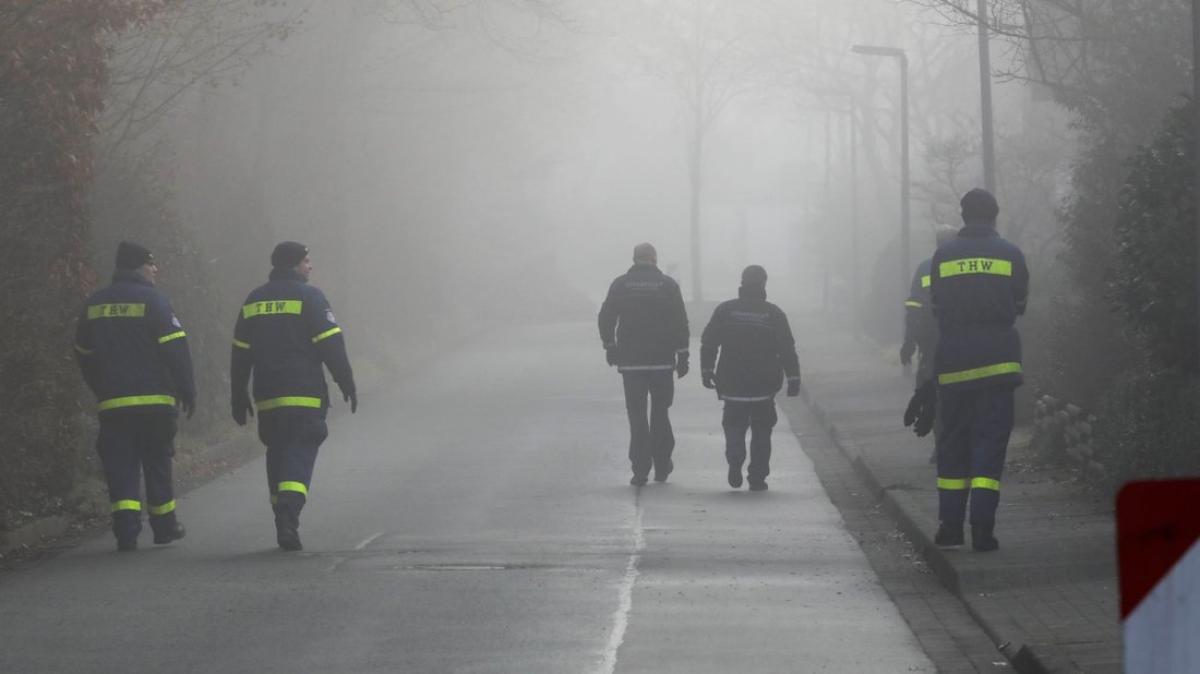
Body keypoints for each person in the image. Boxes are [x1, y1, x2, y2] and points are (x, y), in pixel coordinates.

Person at [907, 189, 1029, 552]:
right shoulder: (1011, 253)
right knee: (990, 444)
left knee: (952, 445)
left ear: (962, 215)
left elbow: (938, 307)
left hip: (954, 363)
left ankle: (949, 528)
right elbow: (1020, 303)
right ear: (994, 215)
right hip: (998, 363)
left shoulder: (942, 256)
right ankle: (982, 529)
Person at [230, 241, 356, 551]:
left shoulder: (254, 300)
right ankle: (288, 510)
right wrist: (346, 382)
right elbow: (331, 346)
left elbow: (240, 354)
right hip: (304, 395)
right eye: (307, 261)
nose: (311, 266)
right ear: (296, 264)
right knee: (300, 450)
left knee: (277, 452)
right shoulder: (310, 298)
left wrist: (237, 394)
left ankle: (281, 516)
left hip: (268, 397)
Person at [74, 241, 195, 552]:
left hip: (114, 405)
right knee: (157, 461)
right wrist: (187, 389)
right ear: (139, 267)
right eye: (151, 263)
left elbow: (83, 353)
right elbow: (176, 350)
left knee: (121, 466)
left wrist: (100, 387)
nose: (155, 269)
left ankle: (126, 531)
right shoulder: (155, 302)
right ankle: (164, 527)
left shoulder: (94, 304)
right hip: (155, 403)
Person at [700, 265, 801, 492]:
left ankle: (735, 457)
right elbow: (786, 348)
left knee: (734, 424)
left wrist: (706, 370)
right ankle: (757, 477)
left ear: (742, 282)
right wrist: (793, 378)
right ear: (764, 284)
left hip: (732, 381)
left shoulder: (725, 310)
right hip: (763, 385)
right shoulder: (773, 313)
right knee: (762, 429)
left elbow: (709, 342)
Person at [598, 243, 690, 486]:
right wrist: (683, 355)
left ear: (634, 259)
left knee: (637, 415)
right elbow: (680, 321)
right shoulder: (668, 285)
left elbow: (606, 316)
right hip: (662, 361)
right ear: (654, 259)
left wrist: (610, 346)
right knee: (660, 412)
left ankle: (640, 469)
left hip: (631, 363)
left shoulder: (620, 284)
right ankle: (662, 464)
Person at [901, 225, 959, 463]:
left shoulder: (926, 267)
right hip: (955, 341)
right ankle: (947, 444)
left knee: (934, 393)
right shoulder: (962, 266)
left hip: (935, 343)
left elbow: (914, 307)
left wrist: (909, 341)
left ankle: (944, 445)